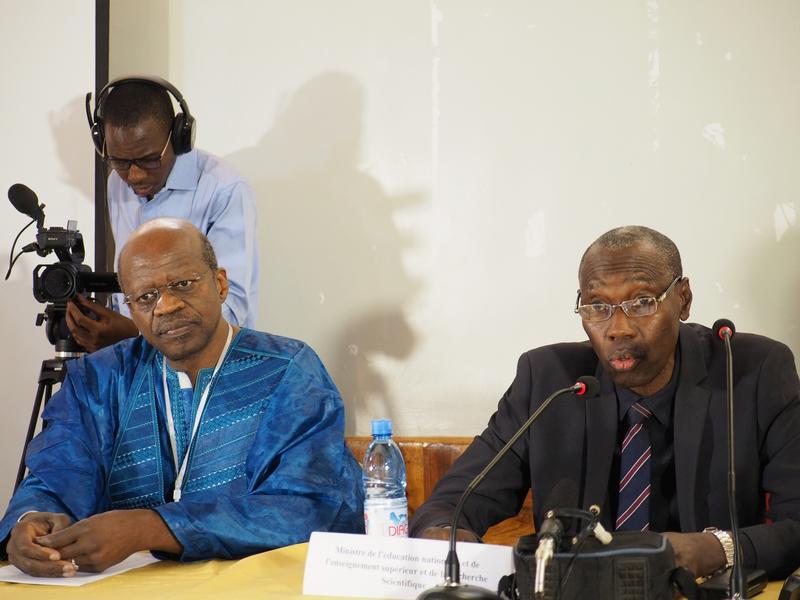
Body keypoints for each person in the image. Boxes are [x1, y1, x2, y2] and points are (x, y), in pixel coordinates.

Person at [410, 225, 800, 579]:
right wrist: (450, 542)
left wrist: (716, 549)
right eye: (597, 306)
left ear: (683, 300)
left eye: (642, 302)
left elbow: (796, 525)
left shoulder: (752, 371)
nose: (618, 328)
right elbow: (451, 505)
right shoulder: (548, 380)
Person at [0, 218, 362, 577]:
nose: (166, 305)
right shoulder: (98, 379)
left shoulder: (287, 371)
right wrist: (30, 521)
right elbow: (55, 478)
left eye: (183, 284)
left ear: (220, 284)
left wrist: (153, 526)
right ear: (130, 308)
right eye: (146, 296)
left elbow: (310, 508)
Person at [67, 75, 259, 352]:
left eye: (149, 159)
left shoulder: (225, 190)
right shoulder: (116, 184)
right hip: (138, 366)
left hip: (212, 369)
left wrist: (134, 334)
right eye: (119, 161)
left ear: (179, 137)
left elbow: (230, 310)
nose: (134, 174)